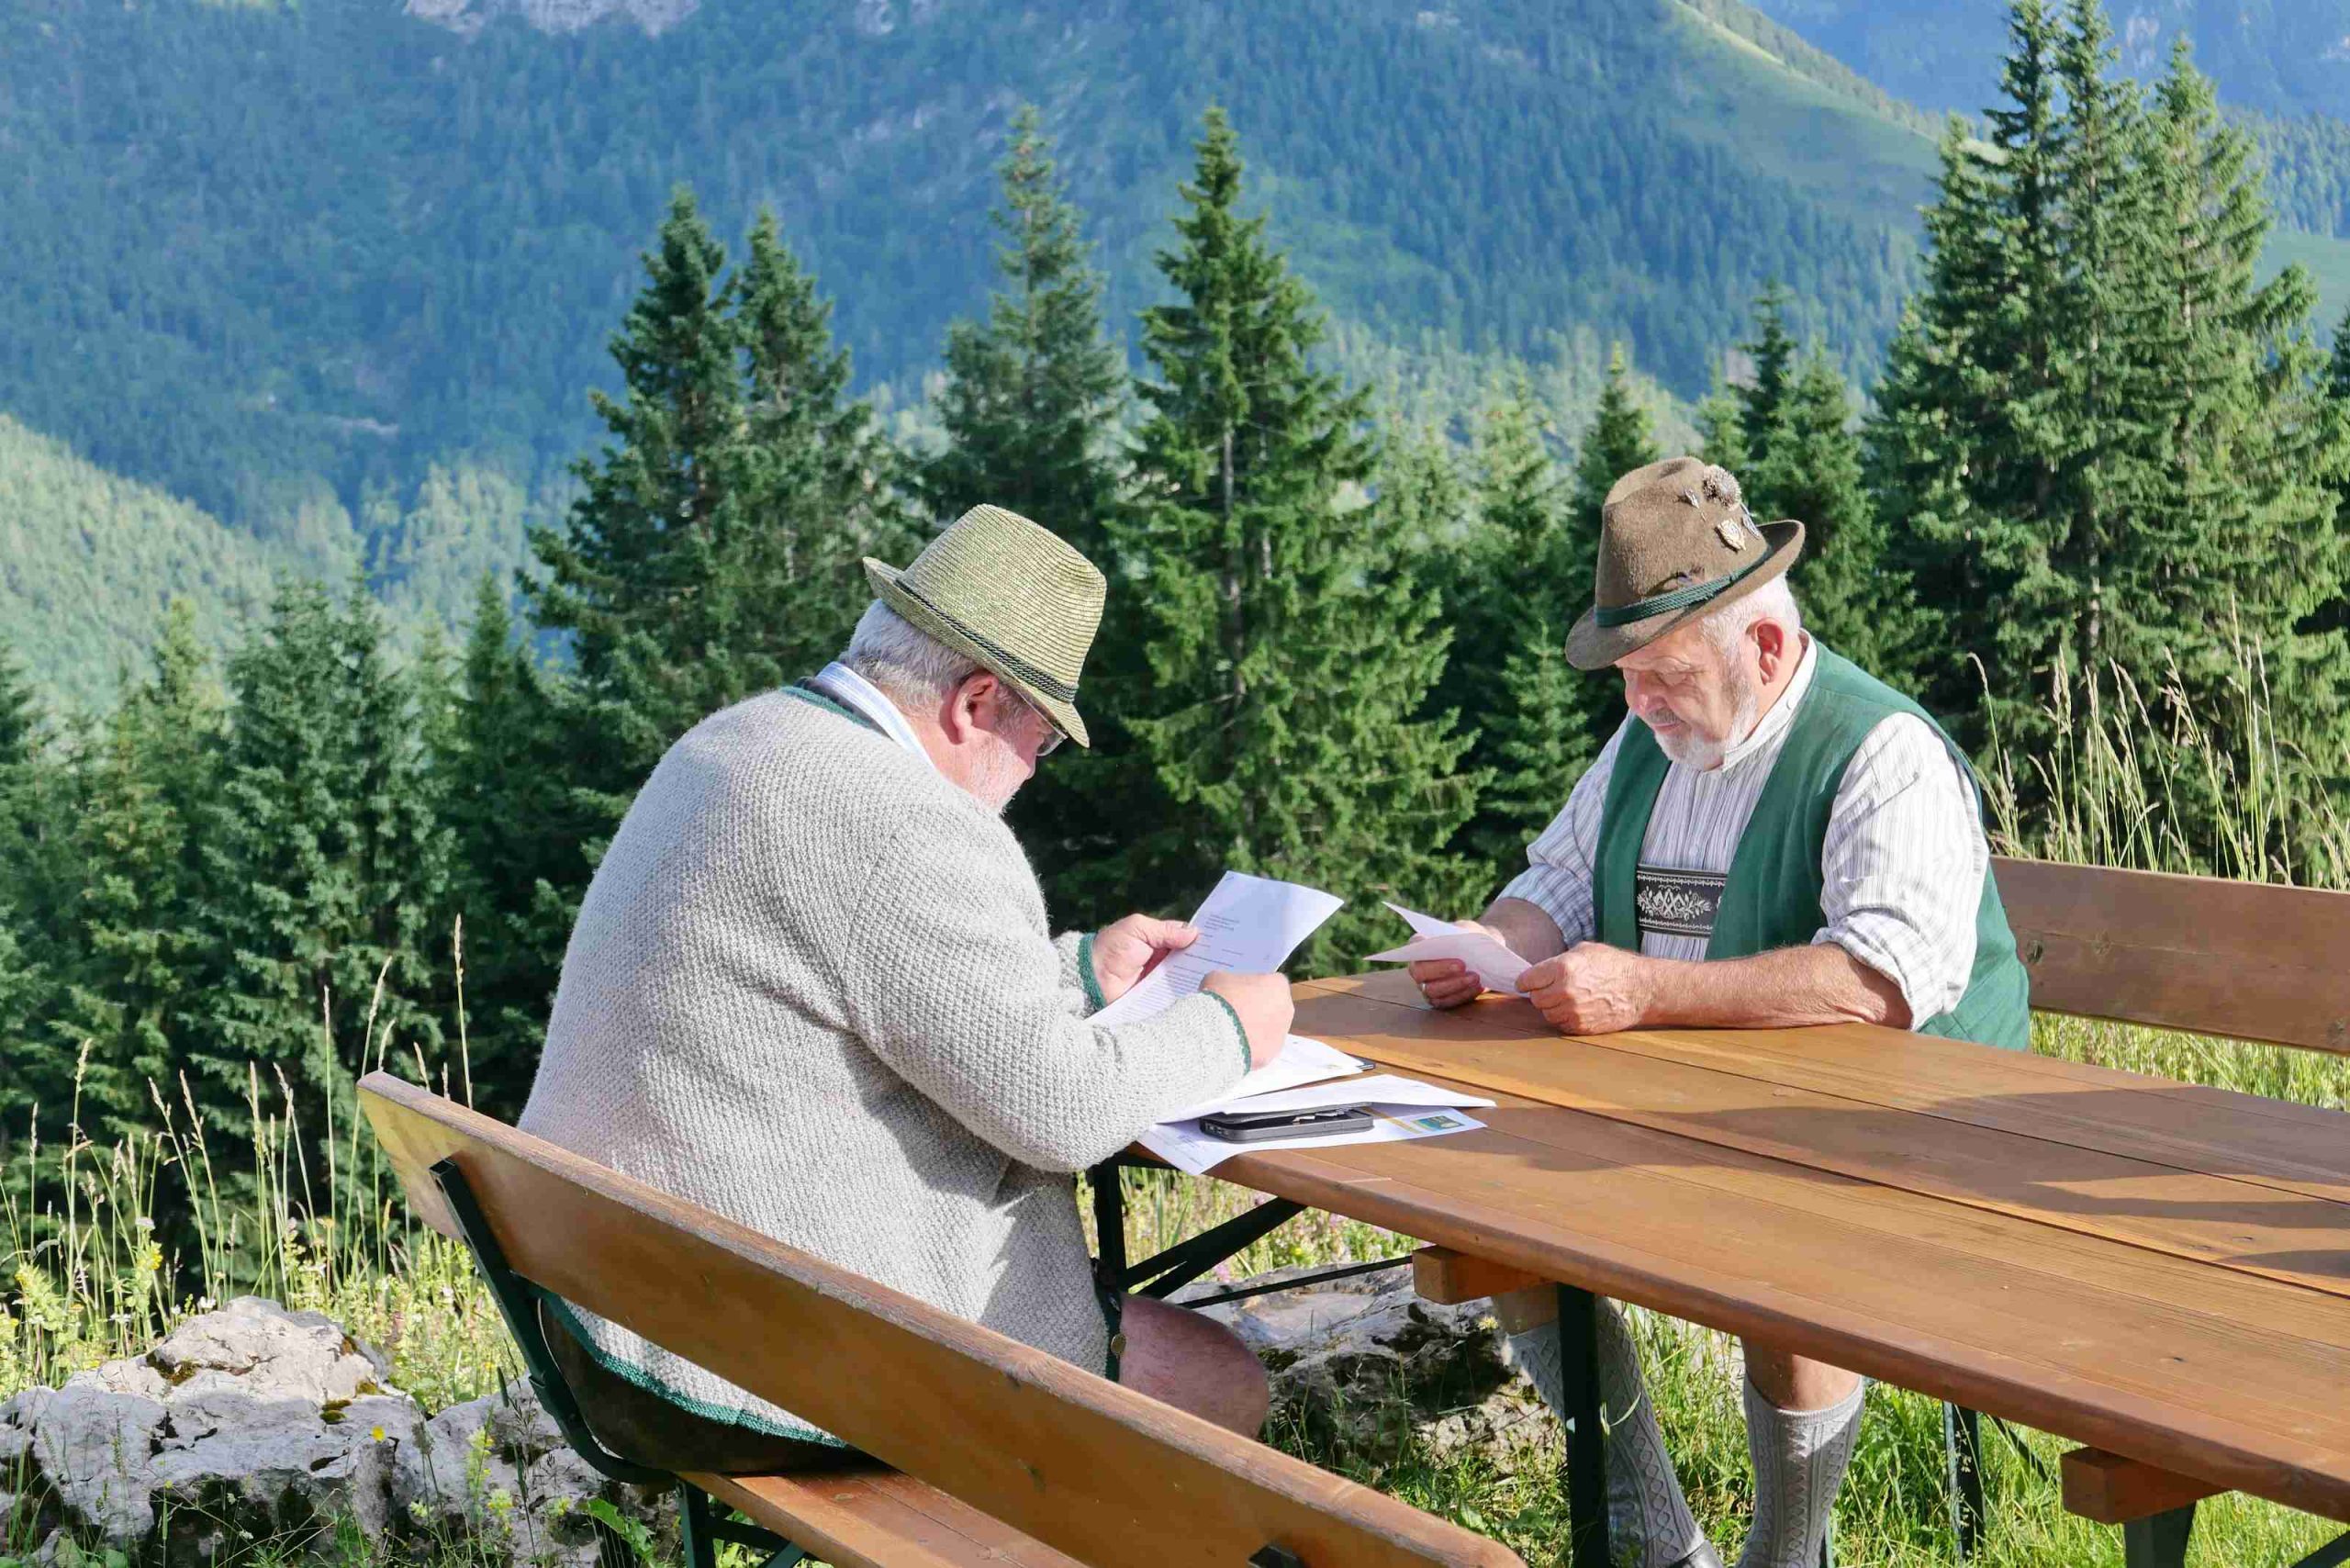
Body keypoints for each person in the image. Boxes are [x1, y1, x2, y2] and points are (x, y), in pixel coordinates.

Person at [520, 503, 1292, 1473]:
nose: (1032, 772)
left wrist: (1077, 974)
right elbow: (1063, 1113)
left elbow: (865, 981)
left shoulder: (734, 742)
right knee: (1221, 1383)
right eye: (1042, 742)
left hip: (614, 1318)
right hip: (736, 1366)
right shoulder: (901, 818)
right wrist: (1229, 1026)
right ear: (977, 701)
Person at [1410, 457, 2030, 1568]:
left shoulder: (1880, 752)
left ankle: (1786, 1556)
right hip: (1694, 1113)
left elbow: (1877, 983)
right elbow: (1556, 880)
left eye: (1664, 675)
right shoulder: (1649, 738)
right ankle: (1658, 1544)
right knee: (1488, 1215)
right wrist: (1491, 946)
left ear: (1767, 647)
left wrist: (1643, 992)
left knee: (1785, 1265)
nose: (1639, 703)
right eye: (1627, 677)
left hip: (1922, 1139)